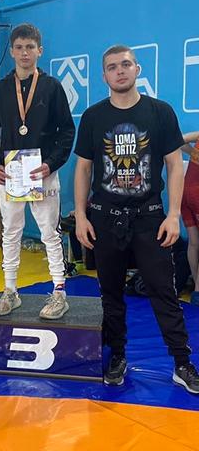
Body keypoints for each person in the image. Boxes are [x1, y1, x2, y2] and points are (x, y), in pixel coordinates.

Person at [74, 44, 199, 393]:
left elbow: (174, 165)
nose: (120, 71)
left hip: (150, 218)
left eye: (126, 64)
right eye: (112, 66)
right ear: (104, 76)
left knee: (164, 292)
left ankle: (182, 363)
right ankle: (117, 355)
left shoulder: (160, 112)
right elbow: (83, 169)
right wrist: (81, 215)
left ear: (137, 69)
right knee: (110, 293)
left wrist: (173, 214)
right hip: (105, 218)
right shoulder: (93, 117)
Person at [0, 23, 75, 319]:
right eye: (19, 47)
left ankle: (59, 293)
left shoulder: (52, 87)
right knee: (10, 232)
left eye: (30, 47)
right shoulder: (1, 89)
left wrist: (52, 163)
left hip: (42, 172)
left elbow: (67, 131)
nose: (25, 53)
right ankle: (10, 291)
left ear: (40, 51)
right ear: (11, 51)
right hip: (11, 174)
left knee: (50, 233)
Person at [181, 131, 199, 305]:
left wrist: (193, 152)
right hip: (197, 195)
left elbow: (179, 139)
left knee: (194, 243)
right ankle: (198, 291)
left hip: (185, 192)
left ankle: (196, 287)